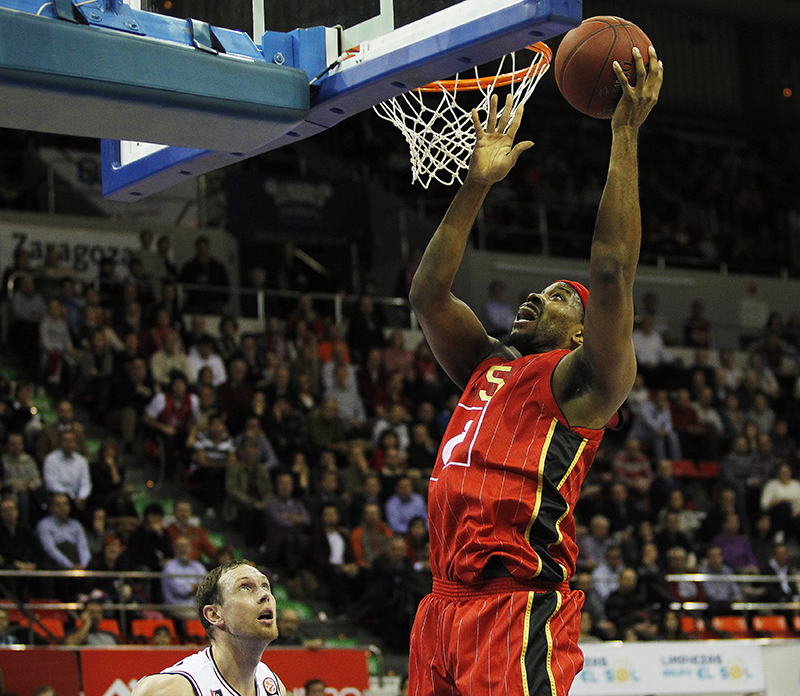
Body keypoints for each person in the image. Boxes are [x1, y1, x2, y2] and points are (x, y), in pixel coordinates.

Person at [406, 45, 662, 696]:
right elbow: (427, 295)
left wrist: (625, 134)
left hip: (514, 605)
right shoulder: (486, 362)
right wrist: (476, 184)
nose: (535, 297)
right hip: (439, 605)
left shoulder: (583, 383)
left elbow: (608, 270)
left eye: (555, 297)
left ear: (581, 332)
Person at [130, 559, 286, 696]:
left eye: (265, 586)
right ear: (214, 614)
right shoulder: (169, 689)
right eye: (245, 587)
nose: (265, 595)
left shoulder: (273, 686)